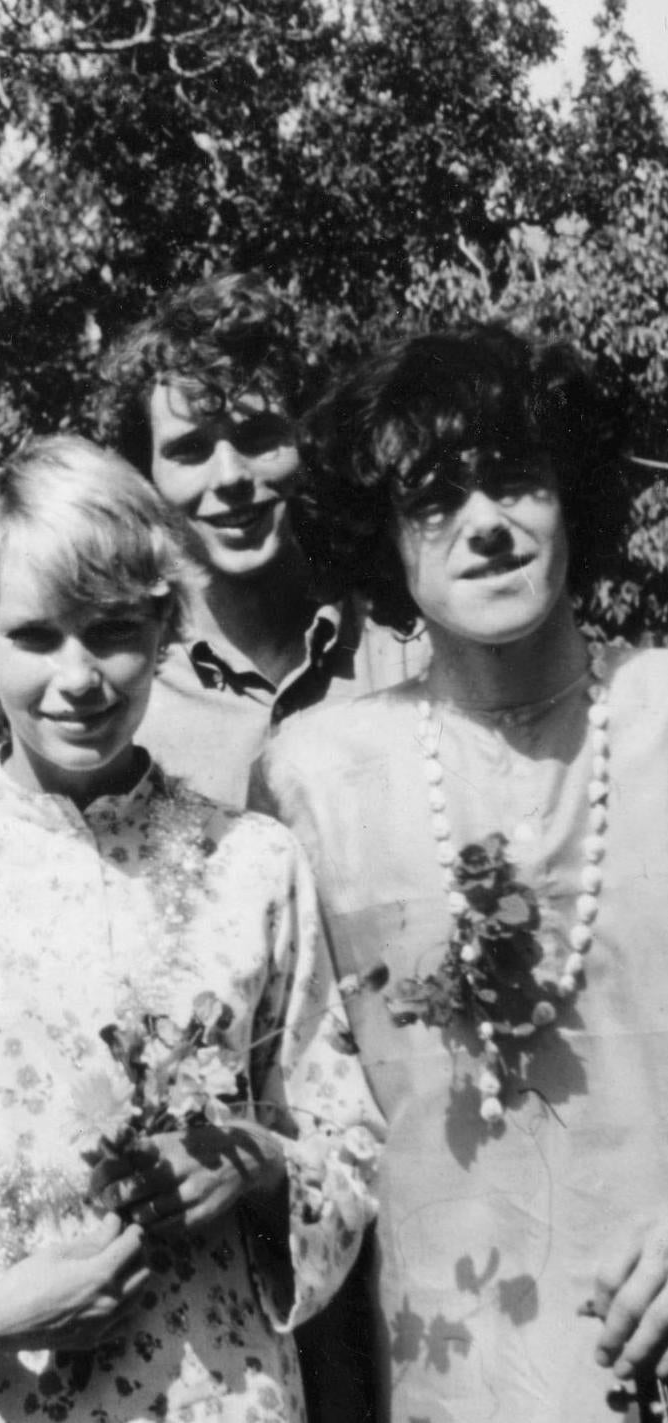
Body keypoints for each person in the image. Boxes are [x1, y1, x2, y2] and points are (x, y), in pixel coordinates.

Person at [0, 436, 381, 1420]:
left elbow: (345, 1140)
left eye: (113, 631)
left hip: (223, 1382)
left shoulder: (251, 865)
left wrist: (253, 1163)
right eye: (37, 636)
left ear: (165, 625)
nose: (79, 677)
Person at [253, 325, 668, 1421]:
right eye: (433, 497)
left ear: (572, 496)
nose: (484, 524)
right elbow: (298, 1113)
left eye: (517, 480)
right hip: (437, 1371)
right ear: (381, 538)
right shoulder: (313, 780)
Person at [98, 272, 425, 809]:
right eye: (190, 450)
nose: (229, 476)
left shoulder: (407, 647)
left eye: (258, 437)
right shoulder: (126, 693)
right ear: (146, 477)